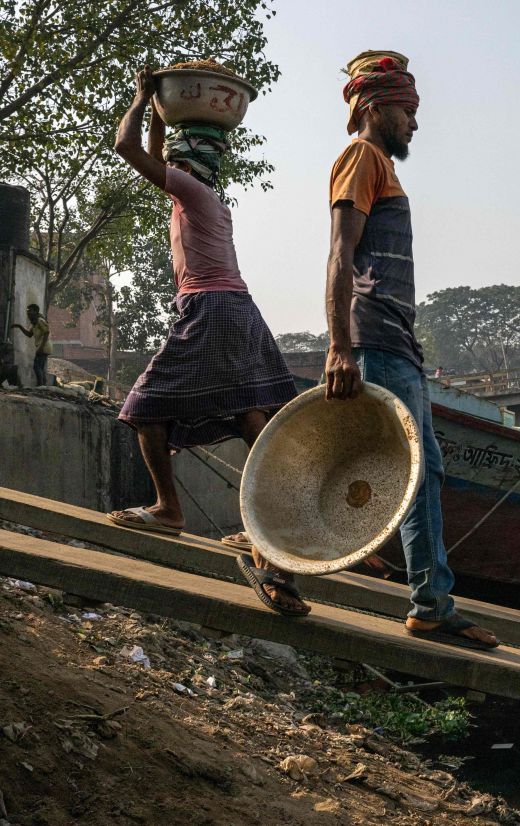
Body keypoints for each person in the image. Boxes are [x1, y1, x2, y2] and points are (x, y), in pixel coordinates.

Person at [109, 66, 307, 617]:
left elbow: (126, 146)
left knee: (145, 407)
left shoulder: (192, 193)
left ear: (187, 163)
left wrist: (142, 95)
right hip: (234, 309)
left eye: (174, 154)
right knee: (249, 417)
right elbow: (151, 150)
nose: (165, 161)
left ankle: (170, 509)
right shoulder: (198, 196)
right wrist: (158, 114)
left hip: (213, 308)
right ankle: (269, 529)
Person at [325, 50, 496, 650]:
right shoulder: (361, 156)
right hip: (374, 341)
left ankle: (429, 601)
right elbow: (340, 256)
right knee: (392, 469)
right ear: (375, 108)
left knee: (426, 473)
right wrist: (341, 348)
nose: (415, 124)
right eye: (408, 111)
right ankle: (281, 560)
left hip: (399, 342)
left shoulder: (381, 167)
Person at [9, 304, 51, 385]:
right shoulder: (34, 323)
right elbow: (29, 334)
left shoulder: (40, 320)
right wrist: (19, 326)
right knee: (40, 367)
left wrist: (41, 347)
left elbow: (47, 332)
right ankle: (43, 385)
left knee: (37, 366)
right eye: (27, 312)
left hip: (44, 346)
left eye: (30, 312)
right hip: (42, 346)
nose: (28, 314)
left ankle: (40, 384)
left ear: (36, 311)